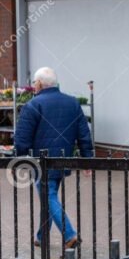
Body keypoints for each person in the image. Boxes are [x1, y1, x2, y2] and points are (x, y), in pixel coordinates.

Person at [14, 67, 94, 249]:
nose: (34, 85)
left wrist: (20, 156)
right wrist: (87, 159)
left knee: (48, 196)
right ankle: (42, 237)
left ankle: (70, 234)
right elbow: (84, 134)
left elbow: (22, 138)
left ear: (40, 83)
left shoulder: (34, 104)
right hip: (63, 160)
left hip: (42, 162)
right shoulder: (72, 103)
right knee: (48, 197)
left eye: (34, 82)